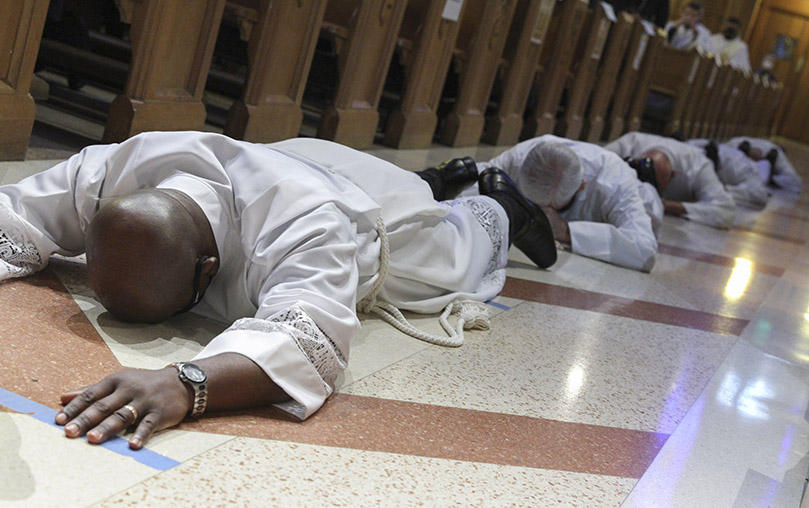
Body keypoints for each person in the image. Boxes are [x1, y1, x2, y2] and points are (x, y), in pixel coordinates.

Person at [0, 131, 555, 450]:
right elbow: (14, 211)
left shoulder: (310, 228)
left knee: (460, 249)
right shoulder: (113, 170)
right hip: (294, 155)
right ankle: (444, 175)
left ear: (208, 269)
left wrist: (184, 383)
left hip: (381, 218)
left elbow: (310, 339)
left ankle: (500, 203)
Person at [462, 135, 660, 272]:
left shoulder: (615, 181)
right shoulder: (520, 158)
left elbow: (645, 250)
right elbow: (469, 184)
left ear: (581, 186)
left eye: (549, 208)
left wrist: (565, 231)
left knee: (654, 209)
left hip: (637, 186)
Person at [605, 132, 736, 228]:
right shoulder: (630, 144)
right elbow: (591, 162)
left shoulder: (698, 165)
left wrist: (669, 206)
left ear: (672, 175)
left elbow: (726, 211)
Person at [686, 139, 769, 207]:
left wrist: (724, 188)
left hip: (755, 171)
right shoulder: (694, 148)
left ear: (719, 166)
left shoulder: (739, 166)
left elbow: (760, 195)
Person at [729, 136, 803, 192]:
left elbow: (796, 182)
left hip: (771, 159)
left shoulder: (779, 158)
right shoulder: (734, 144)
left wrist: (773, 179)